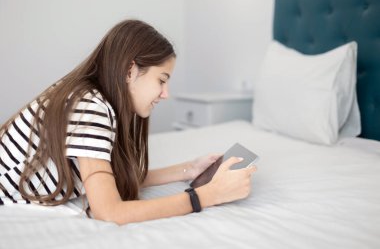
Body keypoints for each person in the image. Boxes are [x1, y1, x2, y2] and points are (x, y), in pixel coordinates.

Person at [0, 19, 257, 225]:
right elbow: (110, 212)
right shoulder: (91, 109)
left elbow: (110, 180)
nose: (166, 93)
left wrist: (188, 170)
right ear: (129, 71)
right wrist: (207, 196)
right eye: (162, 80)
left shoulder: (89, 98)